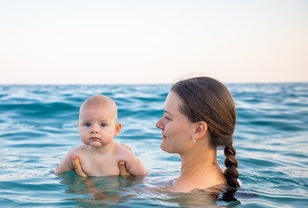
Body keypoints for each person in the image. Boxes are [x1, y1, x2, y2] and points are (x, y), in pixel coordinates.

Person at [72, 77, 240, 200]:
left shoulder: (191, 199)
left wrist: (88, 185)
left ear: (198, 130)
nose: (158, 123)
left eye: (168, 117)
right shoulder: (216, 179)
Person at [55, 95, 148, 177]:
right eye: (87, 124)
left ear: (116, 129)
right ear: (78, 127)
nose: (94, 130)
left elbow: (143, 177)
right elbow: (58, 174)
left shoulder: (125, 155)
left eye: (103, 125)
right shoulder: (75, 155)